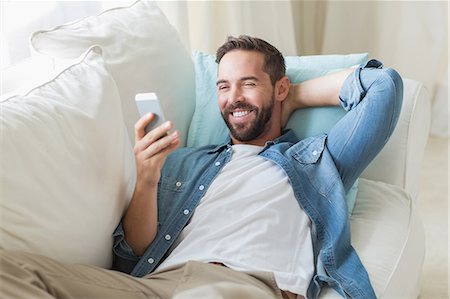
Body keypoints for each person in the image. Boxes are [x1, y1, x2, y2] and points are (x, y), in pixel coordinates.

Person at [1, 35, 403, 299]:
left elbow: (383, 87)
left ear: (279, 88)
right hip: (156, 285)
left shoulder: (317, 161)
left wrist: (292, 96)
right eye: (224, 86)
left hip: (239, 287)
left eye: (249, 83)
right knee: (12, 269)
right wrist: (146, 178)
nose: (234, 98)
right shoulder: (183, 161)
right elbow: (134, 252)